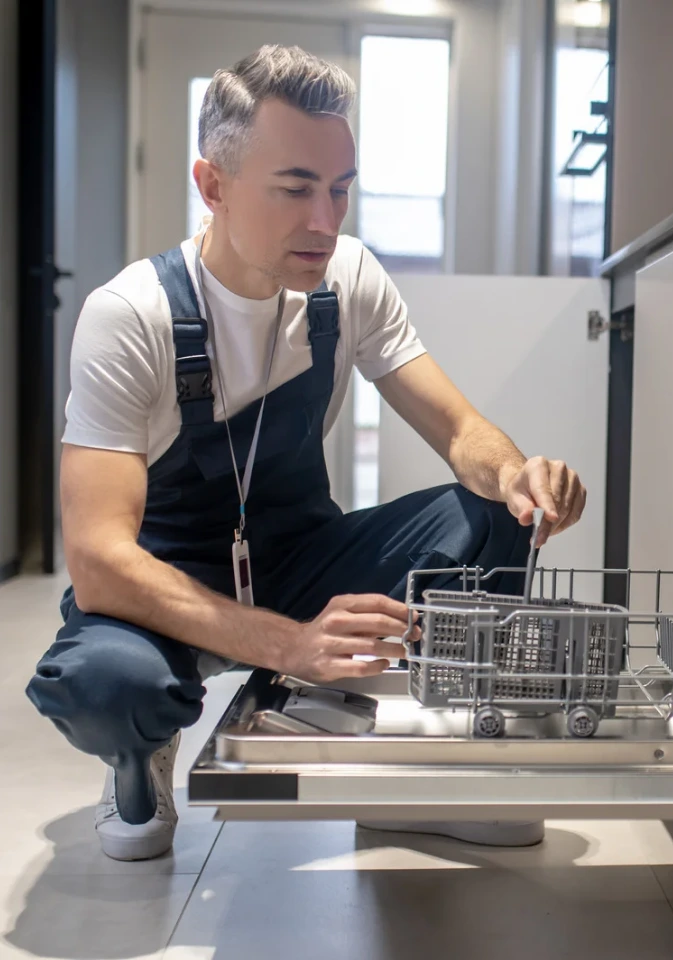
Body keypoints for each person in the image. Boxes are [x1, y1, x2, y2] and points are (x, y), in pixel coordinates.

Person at [24, 45, 586, 862]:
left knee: (488, 509)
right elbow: (101, 560)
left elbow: (461, 432)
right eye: (294, 189)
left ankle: (419, 777)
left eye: (340, 189)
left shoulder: (347, 278)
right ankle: (136, 761)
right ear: (212, 185)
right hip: (165, 585)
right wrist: (287, 646)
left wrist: (516, 474)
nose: (326, 221)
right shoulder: (131, 316)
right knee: (111, 686)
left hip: (298, 559)